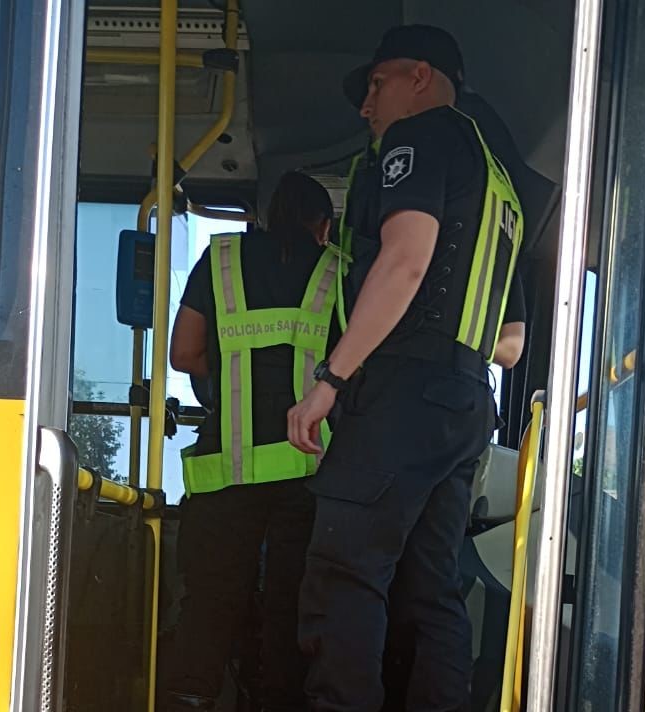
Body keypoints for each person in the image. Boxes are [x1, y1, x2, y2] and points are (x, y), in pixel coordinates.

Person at [287, 25, 526, 710]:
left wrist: (329, 381)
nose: (366, 107)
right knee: (432, 591)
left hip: (402, 392)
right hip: (463, 400)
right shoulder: (498, 184)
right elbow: (509, 337)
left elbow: (405, 259)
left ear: (418, 76)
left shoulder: (417, 138)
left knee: (343, 574)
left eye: (375, 84)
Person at [164, 171, 340, 712]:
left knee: (211, 600)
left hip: (226, 470)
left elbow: (184, 354)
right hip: (309, 474)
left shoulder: (219, 263)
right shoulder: (338, 272)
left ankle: (190, 696)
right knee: (292, 604)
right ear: (324, 226)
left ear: (262, 220)